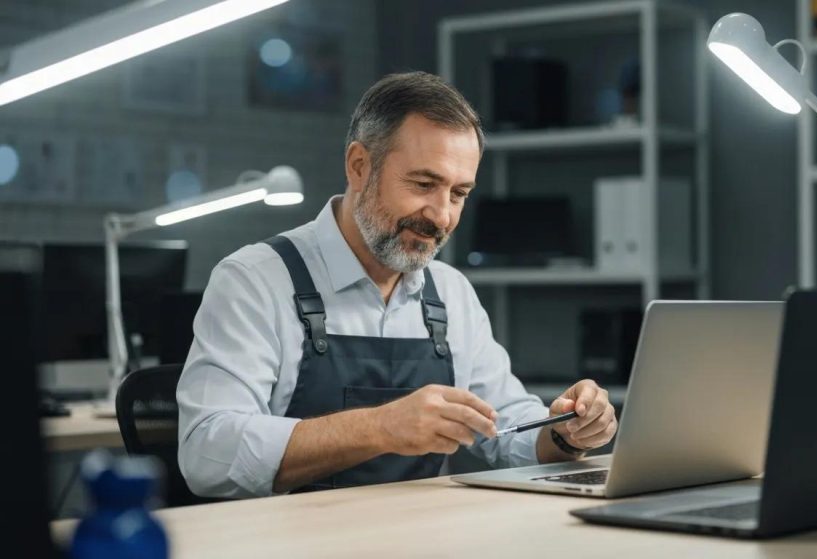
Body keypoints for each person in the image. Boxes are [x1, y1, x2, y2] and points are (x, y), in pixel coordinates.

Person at [177, 72, 618, 498]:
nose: (442, 215)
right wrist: (380, 428)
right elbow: (207, 453)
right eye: (424, 184)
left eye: (459, 193)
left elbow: (501, 429)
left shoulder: (450, 291)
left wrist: (562, 432)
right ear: (358, 166)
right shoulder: (254, 280)